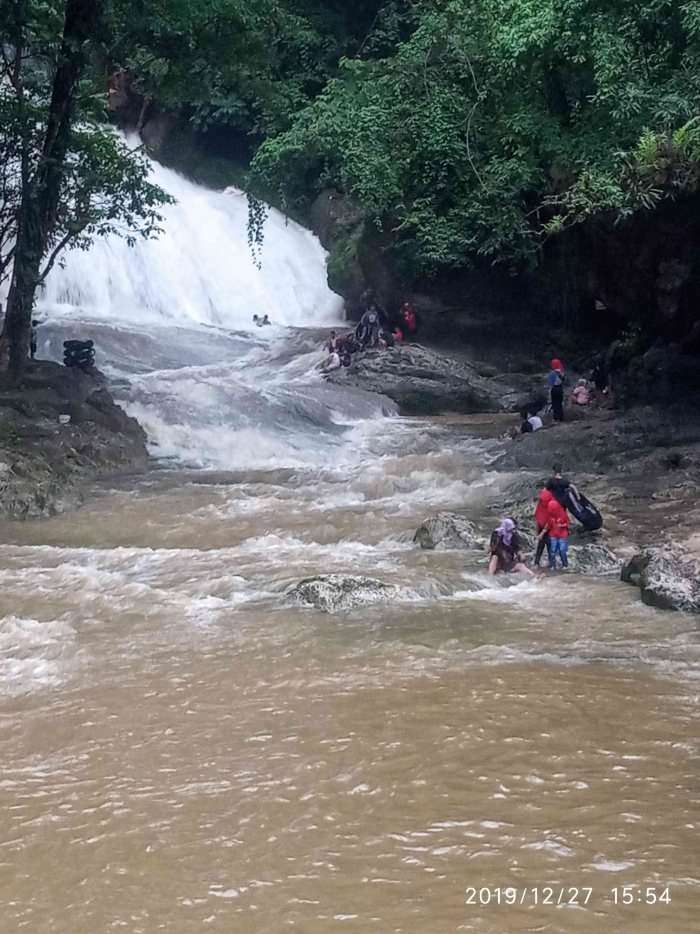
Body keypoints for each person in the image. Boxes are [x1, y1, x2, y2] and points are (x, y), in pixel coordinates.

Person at [539, 497, 570, 569]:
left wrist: (562, 525)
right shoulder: (550, 515)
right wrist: (542, 533)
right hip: (553, 535)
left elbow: (568, 522)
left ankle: (565, 564)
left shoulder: (562, 514)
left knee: (562, 550)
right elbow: (548, 525)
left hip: (562, 535)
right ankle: (552, 564)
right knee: (552, 550)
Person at [534, 489, 554, 567]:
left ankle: (551, 563)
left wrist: (542, 533)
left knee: (550, 545)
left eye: (544, 501)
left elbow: (550, 521)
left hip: (551, 527)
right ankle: (536, 563)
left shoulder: (552, 506)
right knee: (540, 545)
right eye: (541, 501)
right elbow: (538, 515)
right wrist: (539, 531)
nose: (543, 503)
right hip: (542, 526)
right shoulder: (541, 504)